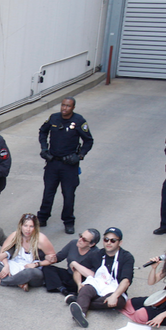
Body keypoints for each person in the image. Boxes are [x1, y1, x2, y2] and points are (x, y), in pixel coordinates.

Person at [37, 97, 94, 235]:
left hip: (69, 165)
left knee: (68, 195)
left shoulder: (79, 121)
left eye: (68, 106)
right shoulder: (54, 118)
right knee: (48, 192)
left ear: (73, 108)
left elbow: (88, 141)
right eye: (63, 105)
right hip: (53, 162)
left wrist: (79, 156)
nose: (64, 108)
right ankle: (42, 218)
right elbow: (43, 132)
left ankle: (68, 222)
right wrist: (44, 149)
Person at [67, 227, 135, 328]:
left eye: (113, 240)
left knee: (119, 302)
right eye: (106, 239)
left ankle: (79, 301)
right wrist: (79, 284)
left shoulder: (126, 257)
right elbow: (78, 271)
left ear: (120, 243)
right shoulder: (97, 254)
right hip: (98, 284)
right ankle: (81, 314)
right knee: (85, 289)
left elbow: (126, 281)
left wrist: (115, 296)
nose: (109, 243)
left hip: (114, 289)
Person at [0, 213, 56, 291]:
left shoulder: (41, 239)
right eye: (25, 226)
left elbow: (53, 259)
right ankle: (19, 282)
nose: (27, 229)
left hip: (32, 269)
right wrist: (6, 266)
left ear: (35, 228)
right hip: (16, 265)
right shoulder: (15, 235)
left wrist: (36, 264)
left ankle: (2, 281)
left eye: (31, 226)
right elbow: (2, 253)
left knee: (29, 273)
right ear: (21, 226)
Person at [42, 228, 100, 295]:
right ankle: (62, 288)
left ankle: (58, 286)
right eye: (80, 236)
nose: (80, 240)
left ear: (91, 244)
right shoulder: (73, 243)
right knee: (47, 268)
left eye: (84, 240)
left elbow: (93, 275)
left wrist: (76, 265)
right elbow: (59, 257)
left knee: (81, 284)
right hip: (69, 274)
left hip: (81, 279)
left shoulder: (96, 253)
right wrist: (48, 257)